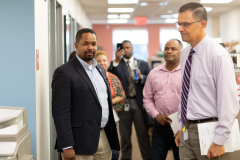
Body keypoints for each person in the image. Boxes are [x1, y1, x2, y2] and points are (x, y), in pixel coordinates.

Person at [174, 2, 239, 160]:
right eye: (179, 23)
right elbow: (186, 93)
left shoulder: (218, 56)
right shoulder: (185, 54)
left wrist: (219, 140)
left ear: (202, 24)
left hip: (210, 131)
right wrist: (181, 127)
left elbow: (229, 102)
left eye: (185, 24)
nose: (180, 28)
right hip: (186, 130)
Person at [52, 28, 120, 160]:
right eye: (85, 44)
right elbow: (60, 112)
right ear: (76, 45)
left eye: (93, 44)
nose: (90, 47)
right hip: (78, 141)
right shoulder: (64, 72)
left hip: (102, 137)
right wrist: (67, 146)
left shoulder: (100, 69)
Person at [108, 40, 151, 160]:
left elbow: (151, 79)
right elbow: (110, 78)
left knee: (143, 135)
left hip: (138, 103)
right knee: (125, 136)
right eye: (123, 48)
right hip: (123, 104)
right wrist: (116, 60)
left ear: (132, 48)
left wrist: (141, 76)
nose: (125, 50)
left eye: (128, 47)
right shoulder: (116, 64)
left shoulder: (142, 64)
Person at [143, 39, 182, 160]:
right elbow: (147, 98)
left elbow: (193, 100)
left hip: (181, 126)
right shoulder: (153, 73)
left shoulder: (188, 72)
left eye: (173, 49)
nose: (169, 51)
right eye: (166, 48)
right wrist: (156, 115)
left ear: (181, 52)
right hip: (160, 125)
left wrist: (182, 126)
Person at [94, 50, 126, 160]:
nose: (102, 63)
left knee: (114, 150)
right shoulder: (91, 78)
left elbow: (122, 95)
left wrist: (109, 102)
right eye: (99, 61)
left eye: (104, 60)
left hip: (111, 117)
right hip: (95, 119)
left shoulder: (113, 77)